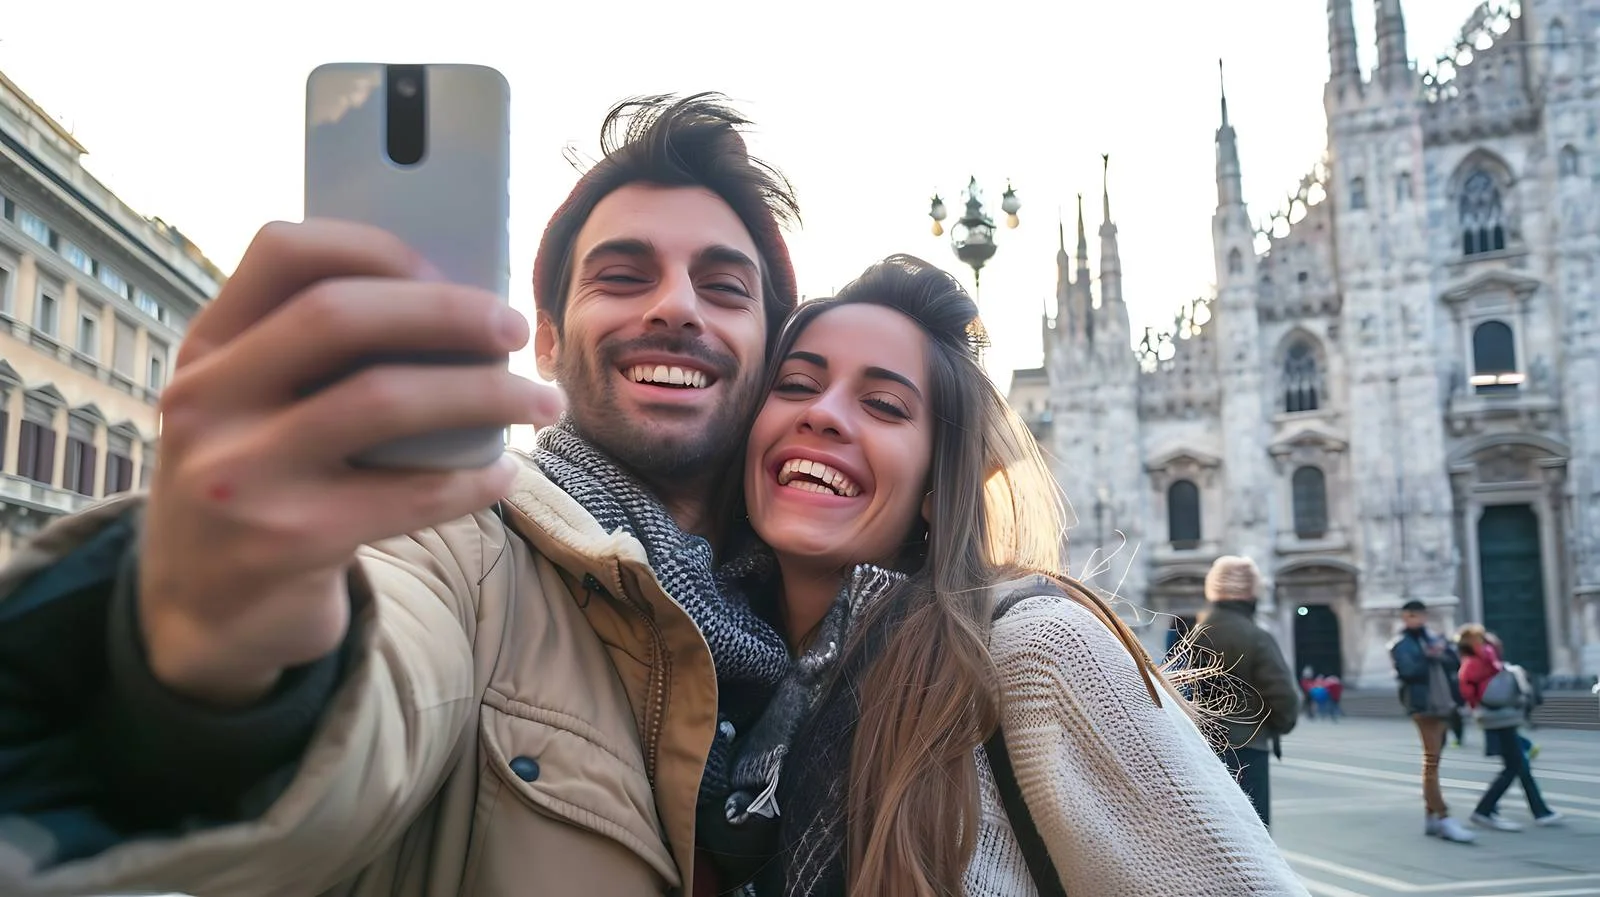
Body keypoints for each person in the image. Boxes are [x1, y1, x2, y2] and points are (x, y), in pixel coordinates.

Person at [0, 94, 802, 897]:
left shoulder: (820, 620)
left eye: (725, 288)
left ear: (770, 352)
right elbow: (365, 722)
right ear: (548, 341)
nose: (676, 305)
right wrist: (223, 639)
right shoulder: (452, 541)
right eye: (623, 276)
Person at [700, 257, 1308, 895]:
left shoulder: (1034, 651)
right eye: (795, 384)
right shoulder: (719, 675)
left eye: (883, 404)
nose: (822, 414)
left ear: (939, 485)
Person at [1189, 556, 1301, 827]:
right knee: (1253, 836)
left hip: (1200, 749)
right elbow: (1284, 699)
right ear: (1252, 591)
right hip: (1248, 749)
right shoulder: (1255, 636)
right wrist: (1275, 726)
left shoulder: (1194, 634)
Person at [1456, 624, 1562, 831]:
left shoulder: (1469, 662)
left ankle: (1540, 811)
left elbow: (1470, 692)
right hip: (1500, 717)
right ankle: (1484, 810)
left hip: (1493, 716)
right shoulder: (1484, 658)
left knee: (1520, 765)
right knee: (1514, 766)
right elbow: (1494, 669)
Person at [1388, 600, 1476, 843]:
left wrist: (1443, 651)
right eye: (1411, 616)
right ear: (1405, 618)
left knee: (1435, 760)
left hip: (1443, 703)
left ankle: (1431, 818)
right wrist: (1428, 656)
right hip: (1423, 707)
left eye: (1419, 615)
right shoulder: (1401, 644)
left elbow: (1455, 663)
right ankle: (1443, 816)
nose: (1416, 620)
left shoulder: (1433, 637)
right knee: (1431, 761)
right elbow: (1407, 672)